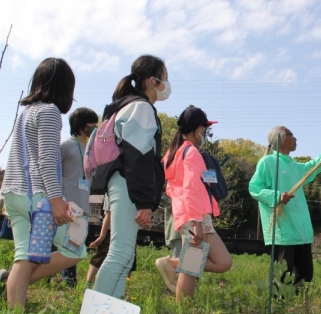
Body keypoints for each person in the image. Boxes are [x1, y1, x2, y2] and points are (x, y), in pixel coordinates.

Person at [0, 58, 83, 308]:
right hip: (37, 199)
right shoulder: (50, 112)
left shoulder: (27, 113)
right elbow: (45, 160)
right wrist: (56, 200)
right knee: (75, 249)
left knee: (24, 257)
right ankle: (13, 284)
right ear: (66, 87)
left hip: (13, 194)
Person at [92, 54, 166, 300]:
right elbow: (139, 156)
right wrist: (144, 201)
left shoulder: (128, 104)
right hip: (128, 183)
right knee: (121, 253)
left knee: (123, 254)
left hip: (123, 182)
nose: (167, 84)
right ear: (152, 81)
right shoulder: (141, 108)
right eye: (165, 78)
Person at [248, 126, 321, 290]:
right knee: (283, 277)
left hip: (300, 230)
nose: (295, 139)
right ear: (280, 138)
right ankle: (281, 311)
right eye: (291, 135)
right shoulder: (268, 162)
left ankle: (300, 309)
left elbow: (311, 168)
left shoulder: (293, 165)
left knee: (305, 276)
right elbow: (254, 188)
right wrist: (277, 196)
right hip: (282, 230)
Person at [159, 105, 232, 299]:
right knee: (197, 264)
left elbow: (171, 189)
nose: (205, 133)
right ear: (197, 129)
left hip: (188, 216)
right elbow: (192, 189)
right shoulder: (191, 153)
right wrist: (198, 223)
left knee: (208, 262)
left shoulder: (173, 153)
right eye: (204, 129)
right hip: (195, 217)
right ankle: (183, 307)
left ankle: (173, 266)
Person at [59, 107, 99, 288]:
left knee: (74, 244)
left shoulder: (93, 150)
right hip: (66, 205)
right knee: (63, 244)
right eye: (92, 123)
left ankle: (67, 281)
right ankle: (67, 282)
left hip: (83, 206)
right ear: (81, 125)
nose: (95, 127)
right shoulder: (66, 147)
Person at [85, 195, 136, 289]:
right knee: (100, 256)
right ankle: (88, 283)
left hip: (127, 230)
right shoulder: (112, 191)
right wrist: (102, 236)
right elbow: (108, 214)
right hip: (113, 230)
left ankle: (125, 287)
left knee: (129, 259)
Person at [157, 192, 182, 293]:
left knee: (194, 264)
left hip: (196, 228)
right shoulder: (172, 177)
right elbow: (159, 193)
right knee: (179, 266)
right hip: (179, 228)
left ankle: (184, 296)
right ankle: (175, 294)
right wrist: (178, 204)